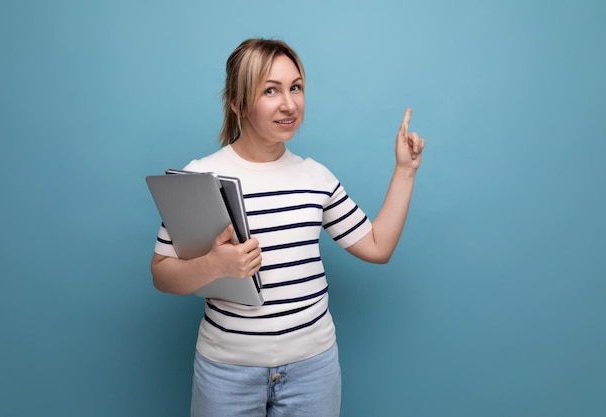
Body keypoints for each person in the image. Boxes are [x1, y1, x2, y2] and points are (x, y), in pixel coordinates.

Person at [150, 38, 425, 417]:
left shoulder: (316, 177)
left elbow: (377, 247)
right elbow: (162, 276)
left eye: (296, 87)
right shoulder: (199, 178)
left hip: (313, 370)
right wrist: (214, 265)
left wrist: (405, 171)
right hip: (226, 374)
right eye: (270, 90)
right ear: (237, 102)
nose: (289, 104)